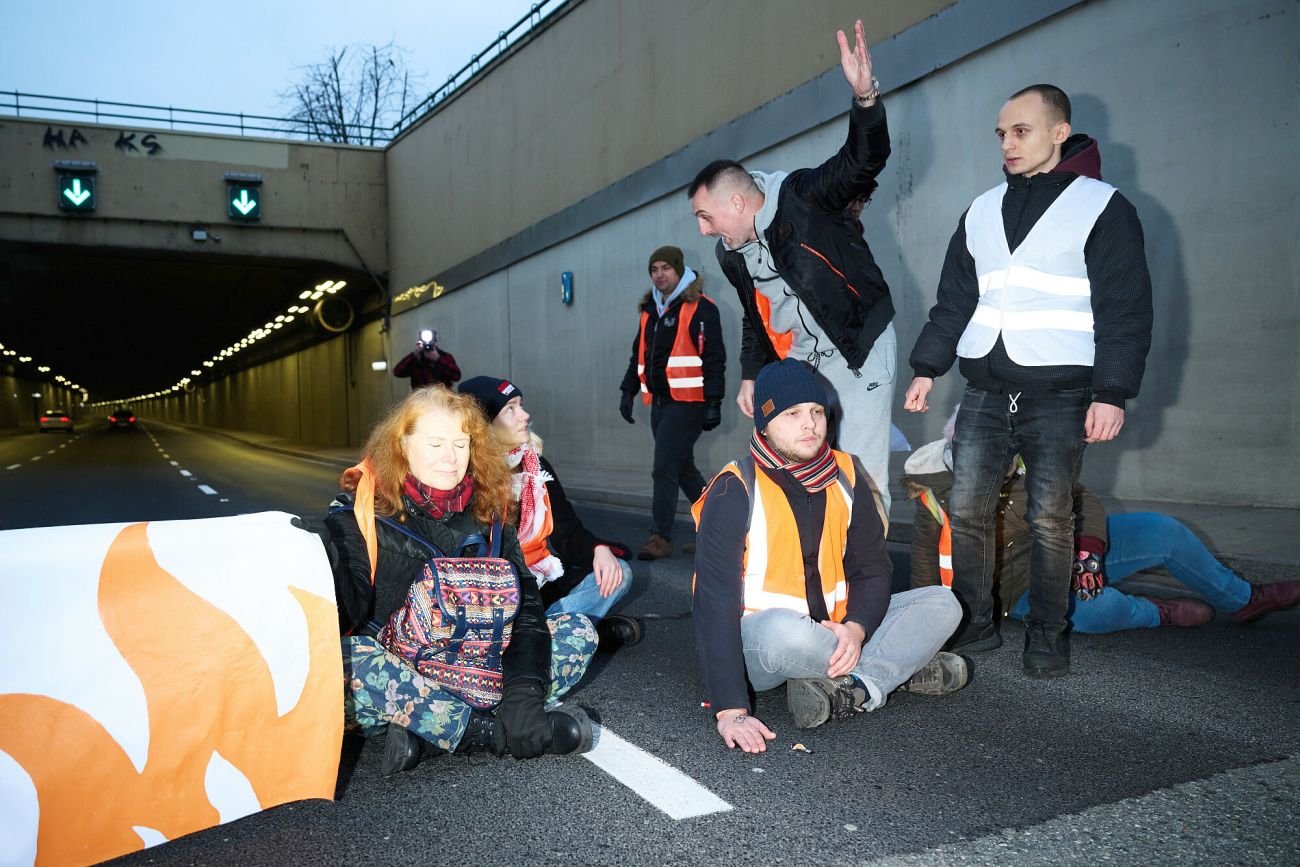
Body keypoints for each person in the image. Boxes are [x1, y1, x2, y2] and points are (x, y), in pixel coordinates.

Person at [904, 83, 1153, 678]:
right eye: (1001, 134)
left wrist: (1111, 392)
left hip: (1062, 394)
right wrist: (926, 367)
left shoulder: (1102, 206)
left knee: (1049, 517)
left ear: (1059, 132)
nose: (1007, 144)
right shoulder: (982, 209)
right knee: (965, 510)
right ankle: (976, 624)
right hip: (986, 391)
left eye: (1021, 131)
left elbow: (1126, 307)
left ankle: (1047, 635)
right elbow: (954, 301)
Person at [691, 359, 967, 754]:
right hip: (763, 643)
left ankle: (857, 686)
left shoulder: (847, 472)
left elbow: (871, 569)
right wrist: (730, 709)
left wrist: (856, 629)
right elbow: (713, 602)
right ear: (765, 425)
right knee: (783, 631)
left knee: (942, 602)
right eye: (792, 414)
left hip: (837, 632)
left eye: (817, 411)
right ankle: (898, 668)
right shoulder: (733, 489)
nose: (810, 424)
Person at [321, 386, 597, 775]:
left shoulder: (492, 514)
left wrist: (523, 693)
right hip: (404, 669)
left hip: (479, 663)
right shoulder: (359, 517)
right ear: (402, 445)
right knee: (349, 662)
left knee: (578, 631)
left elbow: (528, 612)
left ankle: (431, 731)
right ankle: (488, 733)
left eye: (460, 443)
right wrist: (327, 556)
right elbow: (340, 619)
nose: (450, 458)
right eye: (435, 444)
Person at [687, 20, 897, 517]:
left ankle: (863, 580)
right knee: (800, 467)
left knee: (859, 473)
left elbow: (862, 161)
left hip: (857, 347)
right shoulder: (730, 252)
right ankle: (812, 573)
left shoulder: (804, 198)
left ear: (736, 202)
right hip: (804, 360)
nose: (702, 231)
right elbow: (754, 316)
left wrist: (865, 97)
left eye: (705, 217)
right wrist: (749, 375)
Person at [904, 433, 1300, 632]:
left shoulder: (1019, 460)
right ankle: (1153, 611)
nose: (1012, 467)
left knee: (1161, 530)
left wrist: (1088, 551)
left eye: (1011, 459)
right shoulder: (937, 500)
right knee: (1095, 609)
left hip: (1068, 548)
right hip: (1024, 589)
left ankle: (1244, 599)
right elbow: (925, 570)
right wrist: (929, 630)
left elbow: (1082, 497)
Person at [460, 375, 645, 651]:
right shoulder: (465, 475)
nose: (525, 414)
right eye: (510, 408)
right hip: (495, 595)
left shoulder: (535, 465)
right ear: (483, 424)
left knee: (619, 572)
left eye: (520, 404)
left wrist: (598, 550)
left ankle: (546, 638)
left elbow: (567, 533)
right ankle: (575, 635)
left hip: (540, 583)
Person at [618, 245, 726, 560]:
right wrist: (628, 390)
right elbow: (638, 352)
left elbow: (714, 358)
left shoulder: (701, 308)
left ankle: (660, 537)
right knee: (683, 470)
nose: (659, 274)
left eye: (666, 268)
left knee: (664, 468)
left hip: (689, 403)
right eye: (654, 269)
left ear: (679, 270)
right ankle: (718, 529)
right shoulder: (651, 310)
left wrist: (713, 401)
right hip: (661, 403)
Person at [392, 328, 461, 390]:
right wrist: (414, 354)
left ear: (435, 341)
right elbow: (397, 372)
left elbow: (456, 376)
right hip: (422, 400)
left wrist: (438, 359)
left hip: (442, 399)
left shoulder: (444, 356)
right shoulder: (416, 358)